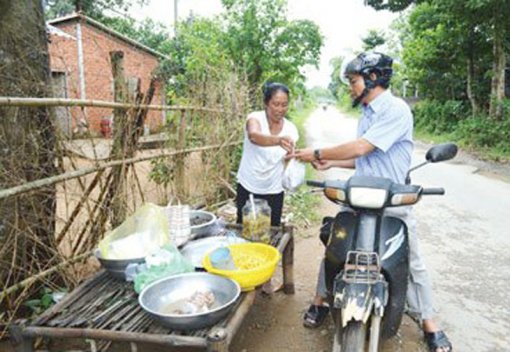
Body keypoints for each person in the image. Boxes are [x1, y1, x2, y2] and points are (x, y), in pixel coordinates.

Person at [291, 52, 452, 352]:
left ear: (373, 78)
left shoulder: (396, 109)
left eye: (353, 81)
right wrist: (332, 164)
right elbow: (365, 157)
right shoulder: (366, 112)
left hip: (391, 198)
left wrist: (317, 152)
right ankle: (321, 300)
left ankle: (429, 321)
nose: (350, 87)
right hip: (361, 194)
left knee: (411, 258)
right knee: (335, 246)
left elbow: (363, 145)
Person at [236, 82, 299, 228]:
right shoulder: (254, 118)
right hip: (248, 185)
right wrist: (278, 140)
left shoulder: (291, 129)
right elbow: (254, 136)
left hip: (274, 189)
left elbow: (288, 159)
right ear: (266, 103)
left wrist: (293, 157)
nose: (280, 109)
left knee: (272, 230)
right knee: (245, 229)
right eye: (276, 104)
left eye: (284, 105)